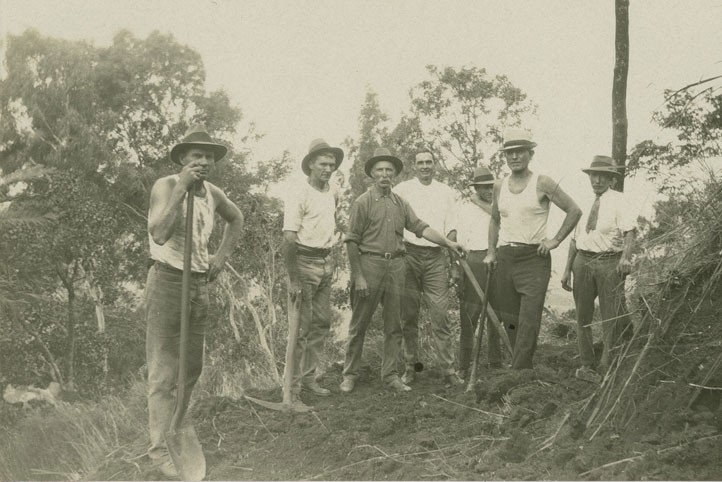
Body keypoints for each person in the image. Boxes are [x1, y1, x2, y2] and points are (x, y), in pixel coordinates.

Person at [145, 126, 244, 478]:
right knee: (163, 371)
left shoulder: (214, 192)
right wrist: (182, 189)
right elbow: (159, 232)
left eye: (208, 155)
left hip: (198, 283)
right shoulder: (166, 186)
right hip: (168, 281)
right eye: (196, 156)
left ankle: (178, 429)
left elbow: (237, 219)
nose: (203, 161)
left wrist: (220, 257)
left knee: (191, 368)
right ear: (183, 159)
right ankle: (160, 450)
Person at [340, 147, 466, 394]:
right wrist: (358, 276)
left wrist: (448, 243)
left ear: (394, 174)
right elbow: (352, 240)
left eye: (389, 170)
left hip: (397, 266)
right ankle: (349, 375)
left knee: (394, 325)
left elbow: (420, 227)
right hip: (370, 266)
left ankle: (390, 376)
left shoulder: (400, 203)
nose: (385, 175)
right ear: (372, 174)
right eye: (380, 170)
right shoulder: (362, 203)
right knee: (359, 325)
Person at [484, 128, 581, 369]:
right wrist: (492, 251)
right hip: (506, 257)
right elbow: (495, 219)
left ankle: (518, 371)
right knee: (510, 319)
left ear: (530, 154)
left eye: (520, 152)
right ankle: (522, 366)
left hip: (534, 259)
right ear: (505, 156)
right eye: (510, 153)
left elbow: (574, 210)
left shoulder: (542, 182)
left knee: (528, 319)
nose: (515, 157)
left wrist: (555, 241)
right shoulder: (499, 186)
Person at [561, 155, 636, 383]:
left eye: (603, 176)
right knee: (582, 316)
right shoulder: (582, 202)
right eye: (594, 175)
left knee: (609, 317)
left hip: (609, 262)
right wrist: (566, 270)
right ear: (590, 177)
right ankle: (586, 364)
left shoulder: (619, 201)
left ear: (611, 179)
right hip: (582, 261)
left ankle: (606, 365)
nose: (597, 180)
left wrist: (625, 258)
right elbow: (574, 239)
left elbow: (630, 232)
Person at [394, 149, 463, 387]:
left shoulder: (445, 192)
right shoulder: (402, 190)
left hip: (436, 258)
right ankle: (410, 367)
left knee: (440, 315)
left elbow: (452, 229)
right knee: (408, 316)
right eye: (420, 162)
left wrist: (454, 265)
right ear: (414, 166)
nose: (425, 166)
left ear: (435, 165)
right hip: (409, 255)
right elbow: (392, 219)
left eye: (429, 162)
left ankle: (448, 369)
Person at [282, 139, 343, 403]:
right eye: (323, 164)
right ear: (310, 165)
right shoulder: (299, 193)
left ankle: (308, 379)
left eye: (331, 164)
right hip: (304, 262)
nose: (328, 169)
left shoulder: (333, 191)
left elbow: (331, 223)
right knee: (300, 329)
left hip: (326, 261)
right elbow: (288, 237)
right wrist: (294, 278)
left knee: (321, 324)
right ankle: (292, 390)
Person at [452, 166, 502, 380]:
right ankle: (463, 365)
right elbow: (454, 235)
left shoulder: (500, 206)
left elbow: (501, 220)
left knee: (496, 313)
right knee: (470, 316)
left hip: (498, 258)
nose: (488, 191)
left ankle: (495, 361)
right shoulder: (463, 207)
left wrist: (481, 202)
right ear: (476, 188)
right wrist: (456, 266)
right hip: (473, 260)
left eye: (491, 187)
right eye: (483, 188)